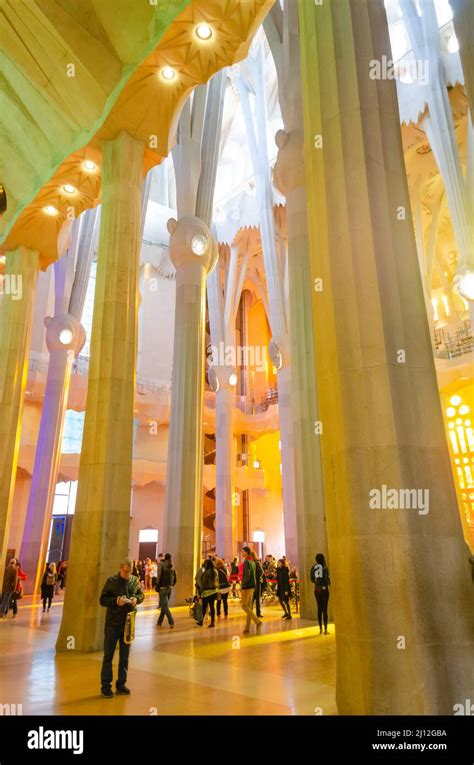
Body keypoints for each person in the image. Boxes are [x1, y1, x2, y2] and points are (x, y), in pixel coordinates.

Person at [99, 558, 144, 698]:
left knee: (124, 657)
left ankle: (121, 683)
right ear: (120, 568)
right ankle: (106, 685)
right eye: (125, 571)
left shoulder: (134, 581)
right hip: (113, 623)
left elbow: (140, 594)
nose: (127, 574)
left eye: (129, 571)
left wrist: (136, 599)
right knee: (108, 655)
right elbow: (102, 600)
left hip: (128, 624)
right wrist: (116, 601)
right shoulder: (111, 581)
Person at [240, 547, 263, 634]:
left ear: (246, 552)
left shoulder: (247, 561)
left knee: (244, 606)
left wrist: (242, 586)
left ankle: (257, 621)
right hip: (253, 586)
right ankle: (247, 627)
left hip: (247, 586)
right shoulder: (253, 561)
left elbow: (247, 575)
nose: (241, 552)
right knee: (249, 607)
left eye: (242, 551)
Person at [311, 553, 331, 635]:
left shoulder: (314, 567)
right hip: (324, 589)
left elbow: (311, 578)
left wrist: (316, 582)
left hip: (316, 589)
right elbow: (326, 579)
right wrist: (328, 583)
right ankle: (326, 630)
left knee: (319, 609)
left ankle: (320, 629)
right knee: (325, 609)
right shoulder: (325, 567)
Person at [156, 553, 177, 628]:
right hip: (169, 588)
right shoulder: (172, 565)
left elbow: (158, 575)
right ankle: (159, 621)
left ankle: (171, 621)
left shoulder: (161, 564)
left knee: (164, 606)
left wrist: (157, 585)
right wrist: (171, 585)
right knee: (164, 605)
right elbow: (175, 578)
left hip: (163, 588)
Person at [196, 559, 219, 628]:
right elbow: (217, 581)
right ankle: (212, 622)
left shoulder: (206, 572)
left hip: (206, 592)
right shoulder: (215, 571)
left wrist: (199, 592)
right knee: (212, 607)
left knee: (204, 607)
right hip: (214, 591)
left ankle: (201, 621)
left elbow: (203, 584)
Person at [251, 550, 264, 619]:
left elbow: (261, 571)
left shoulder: (256, 562)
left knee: (256, 598)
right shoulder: (252, 562)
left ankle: (257, 613)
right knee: (253, 598)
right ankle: (253, 613)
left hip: (257, 583)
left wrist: (257, 577)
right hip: (254, 582)